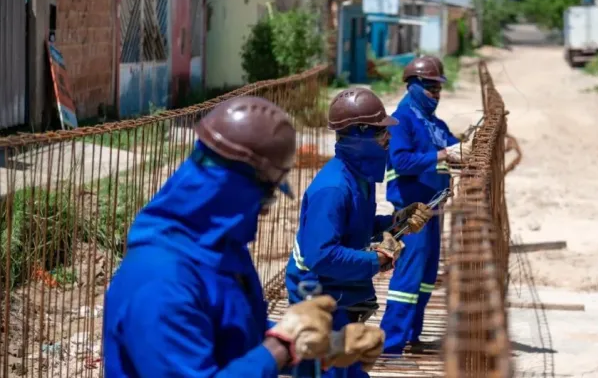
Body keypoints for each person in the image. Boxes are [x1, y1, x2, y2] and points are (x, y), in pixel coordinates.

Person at [103, 96, 385, 378]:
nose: (262, 212)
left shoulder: (221, 252)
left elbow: (237, 337)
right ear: (240, 189)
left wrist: (321, 347)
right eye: (266, 197)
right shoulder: (161, 280)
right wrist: (282, 346)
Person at [285, 87, 433, 378]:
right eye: (380, 133)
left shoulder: (359, 178)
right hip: (316, 298)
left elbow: (356, 228)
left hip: (339, 294)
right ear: (359, 134)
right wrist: (377, 259)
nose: (387, 140)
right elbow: (322, 256)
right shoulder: (333, 188)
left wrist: (395, 222)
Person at [379, 55, 469, 356]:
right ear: (413, 86)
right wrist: (444, 155)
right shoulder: (402, 120)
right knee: (408, 277)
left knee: (427, 277)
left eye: (439, 88)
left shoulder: (432, 122)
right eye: (431, 87)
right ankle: (391, 346)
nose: (437, 93)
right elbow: (402, 161)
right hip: (411, 212)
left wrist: (468, 146)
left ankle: (411, 335)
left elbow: (453, 144)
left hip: (432, 211)